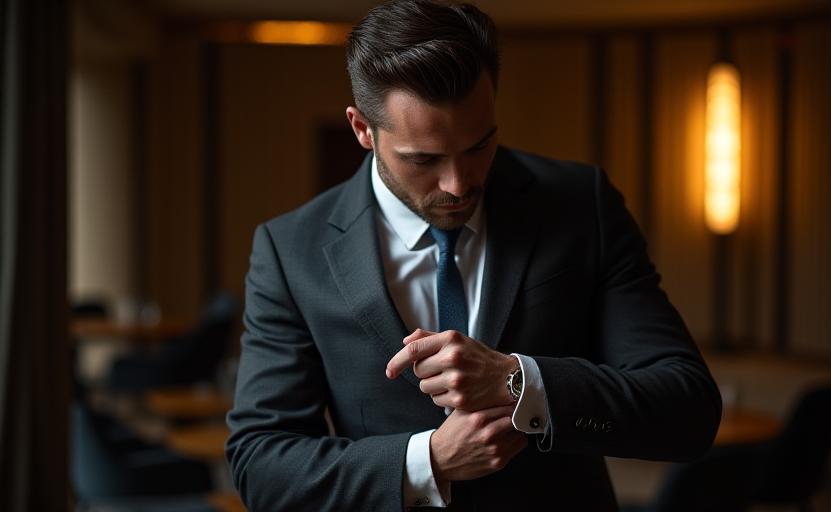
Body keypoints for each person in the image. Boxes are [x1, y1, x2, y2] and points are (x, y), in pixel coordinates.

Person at [225, 1, 722, 510]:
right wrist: (428, 462)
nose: (458, 184)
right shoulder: (291, 250)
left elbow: (689, 411)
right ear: (362, 130)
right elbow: (261, 465)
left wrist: (520, 383)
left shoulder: (581, 206)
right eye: (424, 160)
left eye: (479, 146)